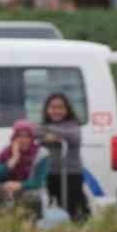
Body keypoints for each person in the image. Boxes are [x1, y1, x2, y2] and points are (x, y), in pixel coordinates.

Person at [38, 91, 89, 222]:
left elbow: (73, 136)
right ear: (47, 109)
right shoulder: (42, 126)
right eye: (52, 107)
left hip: (70, 173)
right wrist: (48, 135)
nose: (56, 111)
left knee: (75, 208)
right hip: (48, 173)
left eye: (60, 107)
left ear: (67, 110)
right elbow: (34, 131)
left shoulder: (73, 125)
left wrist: (53, 134)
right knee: (48, 206)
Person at [0, 121, 46, 216]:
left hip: (30, 190)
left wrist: (19, 185)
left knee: (31, 197)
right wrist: (14, 158)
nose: (23, 140)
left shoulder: (41, 153)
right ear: (14, 138)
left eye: (27, 136)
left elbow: (38, 181)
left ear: (32, 138)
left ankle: (29, 227)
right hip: (6, 190)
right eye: (19, 136)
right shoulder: (6, 152)